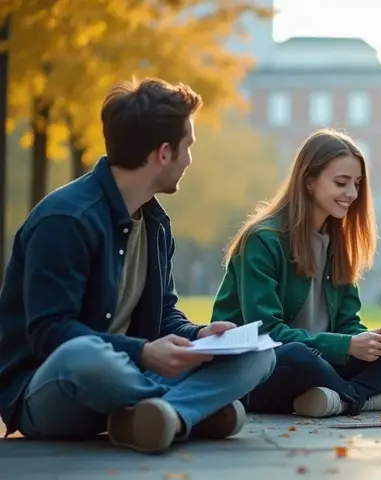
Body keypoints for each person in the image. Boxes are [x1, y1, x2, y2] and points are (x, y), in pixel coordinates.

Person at [0, 78, 277, 454]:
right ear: (163, 153)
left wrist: (200, 335)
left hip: (130, 376)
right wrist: (143, 353)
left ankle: (163, 416)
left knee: (258, 352)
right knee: (83, 355)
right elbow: (51, 333)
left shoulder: (155, 224)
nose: (189, 160)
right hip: (51, 389)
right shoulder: (65, 220)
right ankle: (187, 410)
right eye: (188, 147)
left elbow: (164, 315)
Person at [212, 129, 381, 417]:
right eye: (341, 183)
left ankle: (337, 398)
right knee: (298, 356)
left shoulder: (340, 244)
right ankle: (359, 398)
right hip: (262, 365)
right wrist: (347, 345)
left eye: (357, 184)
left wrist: (374, 342)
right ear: (309, 182)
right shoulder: (262, 240)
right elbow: (266, 332)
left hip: (322, 361)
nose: (352, 194)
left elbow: (346, 323)